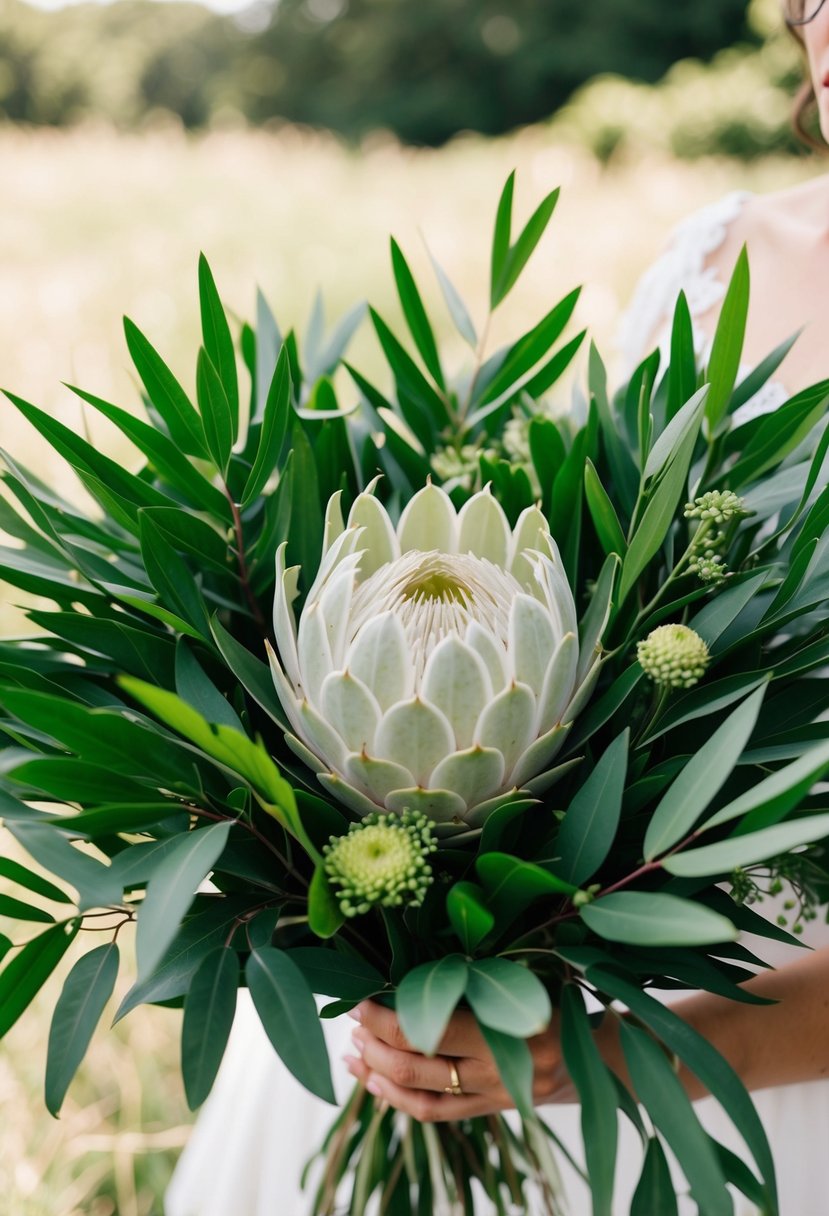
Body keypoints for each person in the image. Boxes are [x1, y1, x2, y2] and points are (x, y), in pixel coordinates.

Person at [165, 3, 829, 1213]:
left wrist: (599, 1056)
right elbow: (607, 601)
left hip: (740, 1046)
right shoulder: (716, 260)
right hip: (554, 939)